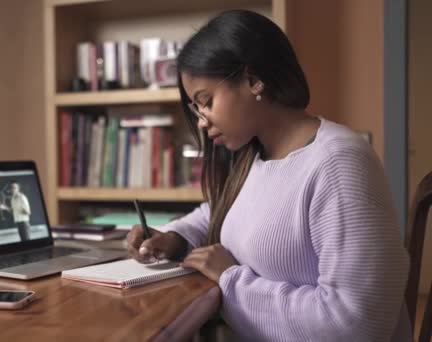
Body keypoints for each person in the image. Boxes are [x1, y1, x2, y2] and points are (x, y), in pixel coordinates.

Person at [127, 10, 411, 341]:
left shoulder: (337, 164)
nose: (201, 121)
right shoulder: (255, 157)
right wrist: (172, 238)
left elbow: (356, 324)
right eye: (195, 109)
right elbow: (220, 214)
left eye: (206, 102)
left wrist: (231, 279)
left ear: (253, 80)